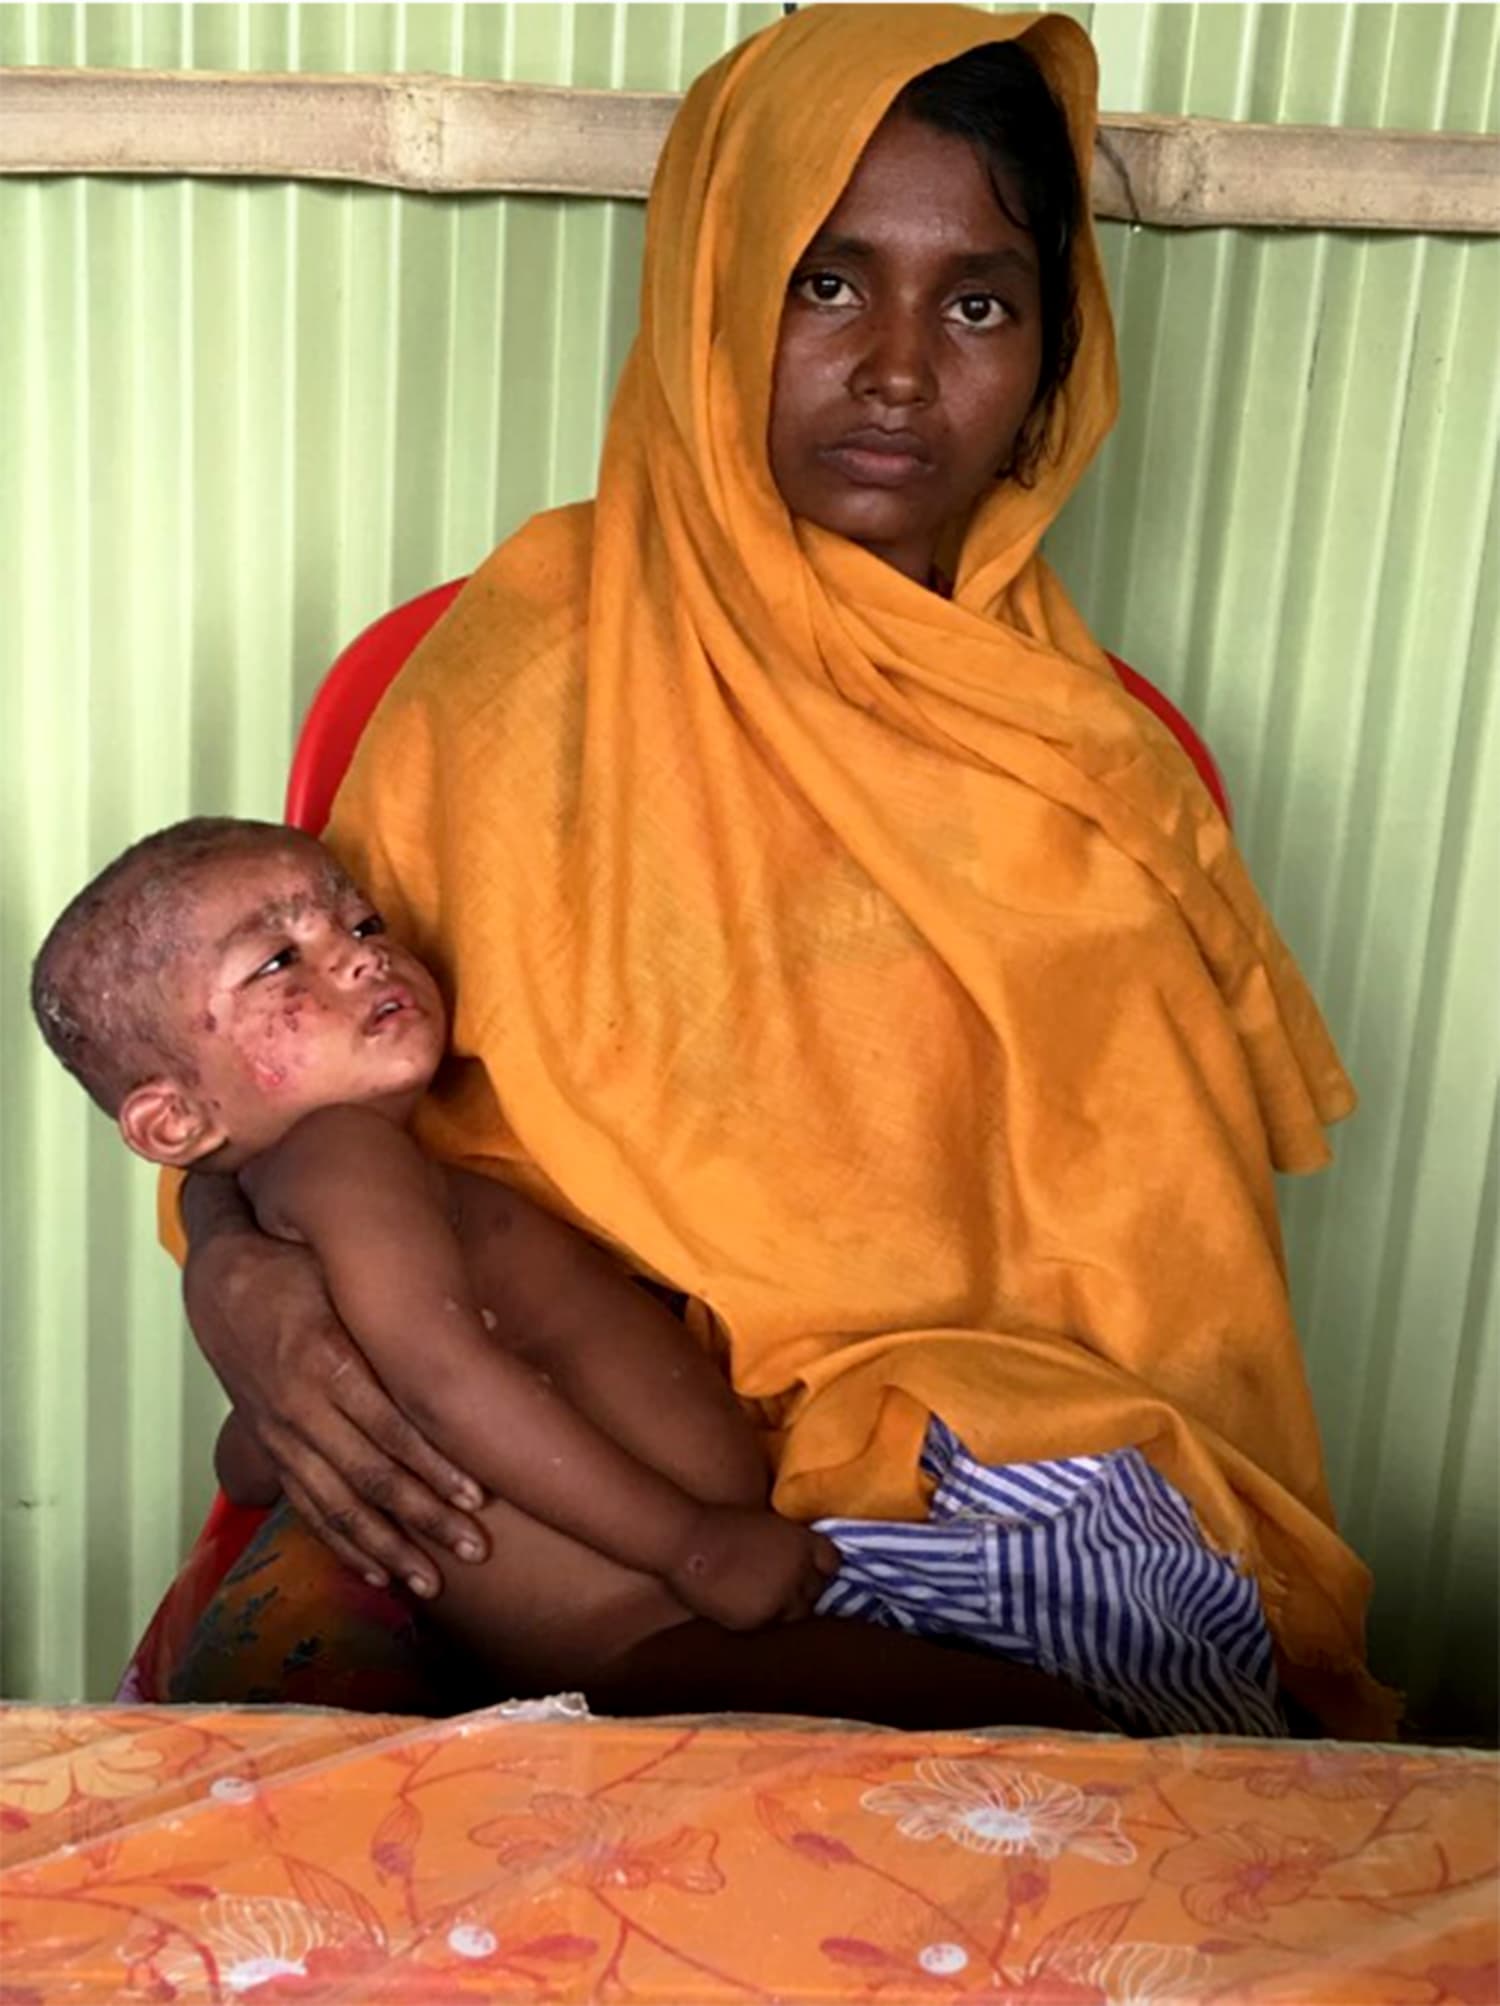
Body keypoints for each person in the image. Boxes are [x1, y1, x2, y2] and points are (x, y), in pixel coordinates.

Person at [166, 5, 1393, 1737]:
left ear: (1058, 356)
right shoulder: (507, 674)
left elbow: (1168, 1288)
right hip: (600, 1468)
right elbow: (291, 1096)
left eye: (979, 301)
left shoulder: (1092, 763)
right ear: (713, 296)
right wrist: (234, 1273)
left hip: (1024, 1476)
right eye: (825, 285)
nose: (899, 369)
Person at [33, 817, 856, 1685]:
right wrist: (691, 1545)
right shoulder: (345, 1157)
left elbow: (251, 1458)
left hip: (637, 1641)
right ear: (175, 1121)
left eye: (362, 924)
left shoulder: (295, 1207)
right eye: (278, 961)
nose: (361, 958)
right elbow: (439, 1375)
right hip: (681, 1622)